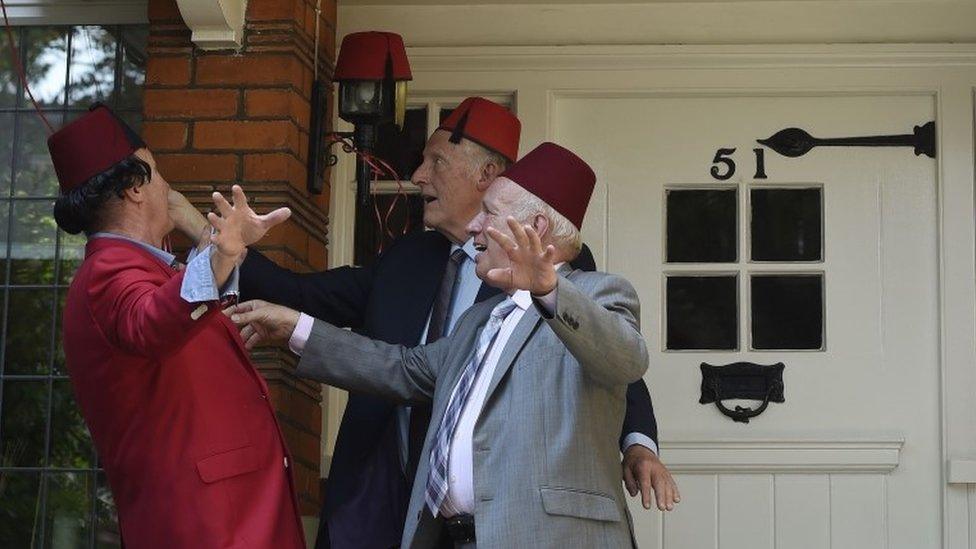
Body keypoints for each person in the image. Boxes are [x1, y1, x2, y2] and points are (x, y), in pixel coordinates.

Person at [171, 97, 677, 549]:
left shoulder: (576, 284)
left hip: (529, 521)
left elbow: (614, 355)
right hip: (414, 504)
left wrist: (636, 441)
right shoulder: (444, 286)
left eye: (437, 161)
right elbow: (402, 364)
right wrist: (282, 312)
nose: (419, 175)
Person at [49, 104, 304, 548]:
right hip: (208, 527)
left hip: (233, 516)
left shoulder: (146, 268)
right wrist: (220, 256)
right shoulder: (106, 272)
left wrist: (214, 254)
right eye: (159, 171)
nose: (168, 185)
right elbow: (151, 321)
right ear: (134, 185)